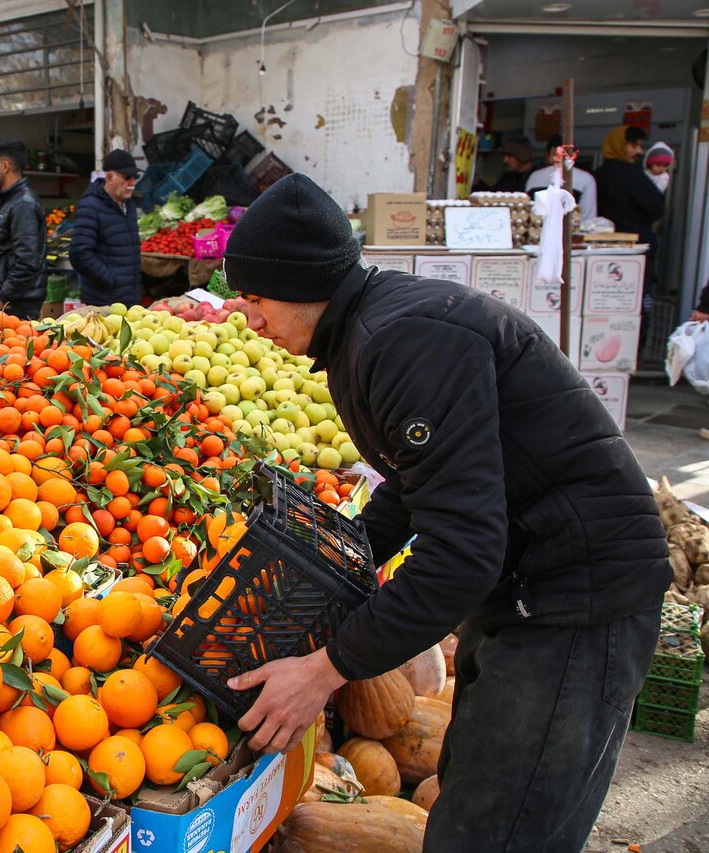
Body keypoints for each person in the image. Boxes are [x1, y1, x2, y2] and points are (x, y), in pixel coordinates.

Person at [220, 174, 670, 851]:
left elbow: (462, 552)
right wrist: (337, 555)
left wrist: (327, 668)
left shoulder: (404, 341)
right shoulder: (364, 335)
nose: (248, 318)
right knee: (472, 799)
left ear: (303, 282)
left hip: (578, 597)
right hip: (525, 586)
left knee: (501, 830)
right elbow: (417, 484)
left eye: (256, 298)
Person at [597, 125, 666, 307]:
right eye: (634, 146)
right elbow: (656, 209)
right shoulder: (634, 175)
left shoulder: (598, 175)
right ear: (620, 145)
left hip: (601, 252)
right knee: (636, 307)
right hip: (636, 251)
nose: (639, 151)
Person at [69, 149, 143, 308]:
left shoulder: (129, 205)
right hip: (103, 301)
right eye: (127, 177)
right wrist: (111, 279)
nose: (132, 183)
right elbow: (79, 254)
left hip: (129, 297)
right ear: (109, 177)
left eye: (135, 177)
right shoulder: (90, 206)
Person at [0, 140, 46, 319]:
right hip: (14, 302)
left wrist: (6, 297)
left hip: (17, 305)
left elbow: (27, 260)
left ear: (5, 166)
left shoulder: (22, 205)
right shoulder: (14, 201)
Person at [525, 134, 598, 221]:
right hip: (571, 228)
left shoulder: (534, 177)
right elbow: (587, 219)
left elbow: (527, 212)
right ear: (573, 154)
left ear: (548, 155)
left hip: (539, 228)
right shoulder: (586, 179)